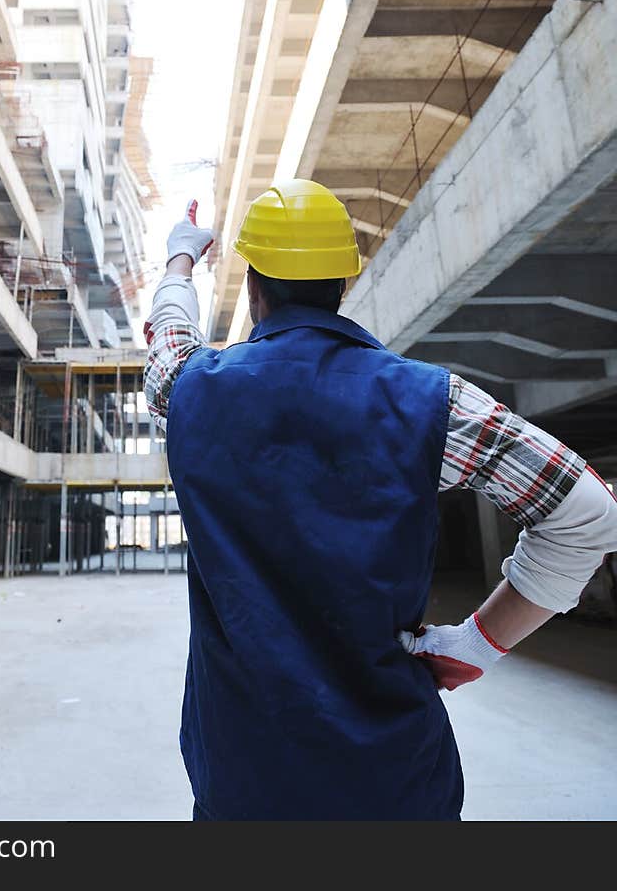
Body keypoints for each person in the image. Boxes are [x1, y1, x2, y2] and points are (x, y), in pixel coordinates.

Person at [143, 180, 617, 821]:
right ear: (344, 283)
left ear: (254, 288)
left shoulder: (192, 390)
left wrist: (181, 257)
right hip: (392, 780)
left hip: (241, 772)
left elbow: (168, 337)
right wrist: (477, 643)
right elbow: (588, 514)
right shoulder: (434, 402)